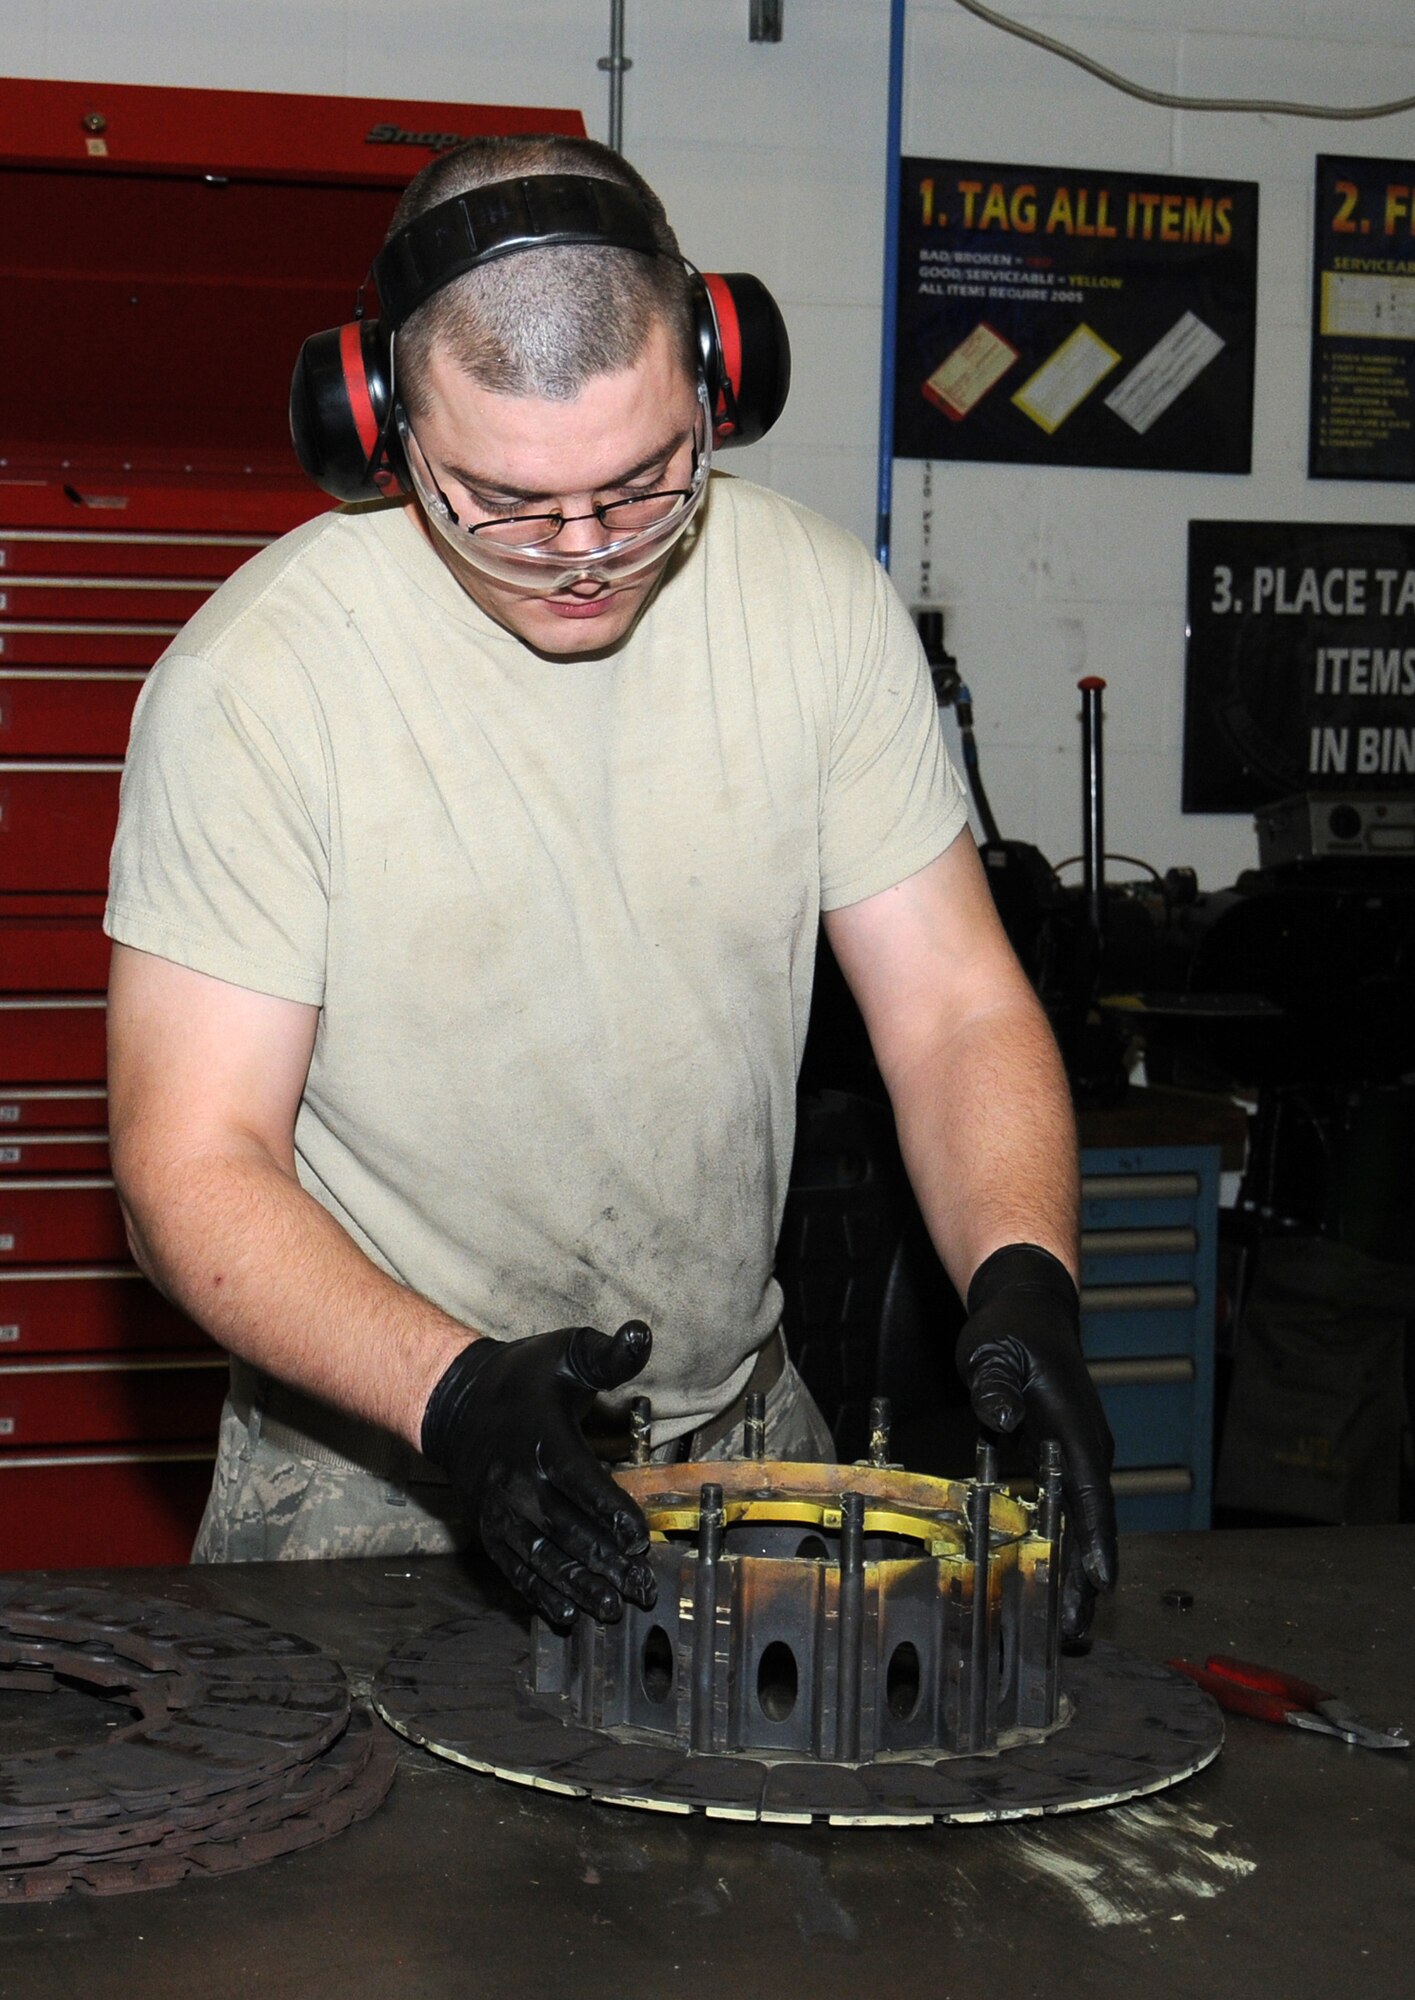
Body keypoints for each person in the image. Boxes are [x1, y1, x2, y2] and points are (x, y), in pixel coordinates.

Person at [105, 133, 1115, 1640]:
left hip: (742, 1432)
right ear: (378, 426)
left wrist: (1025, 1275)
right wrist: (449, 1393)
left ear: (717, 382)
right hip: (384, 1456)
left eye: (642, 484)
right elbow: (190, 1161)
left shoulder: (817, 610)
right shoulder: (258, 687)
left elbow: (957, 1011)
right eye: (503, 501)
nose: (581, 554)